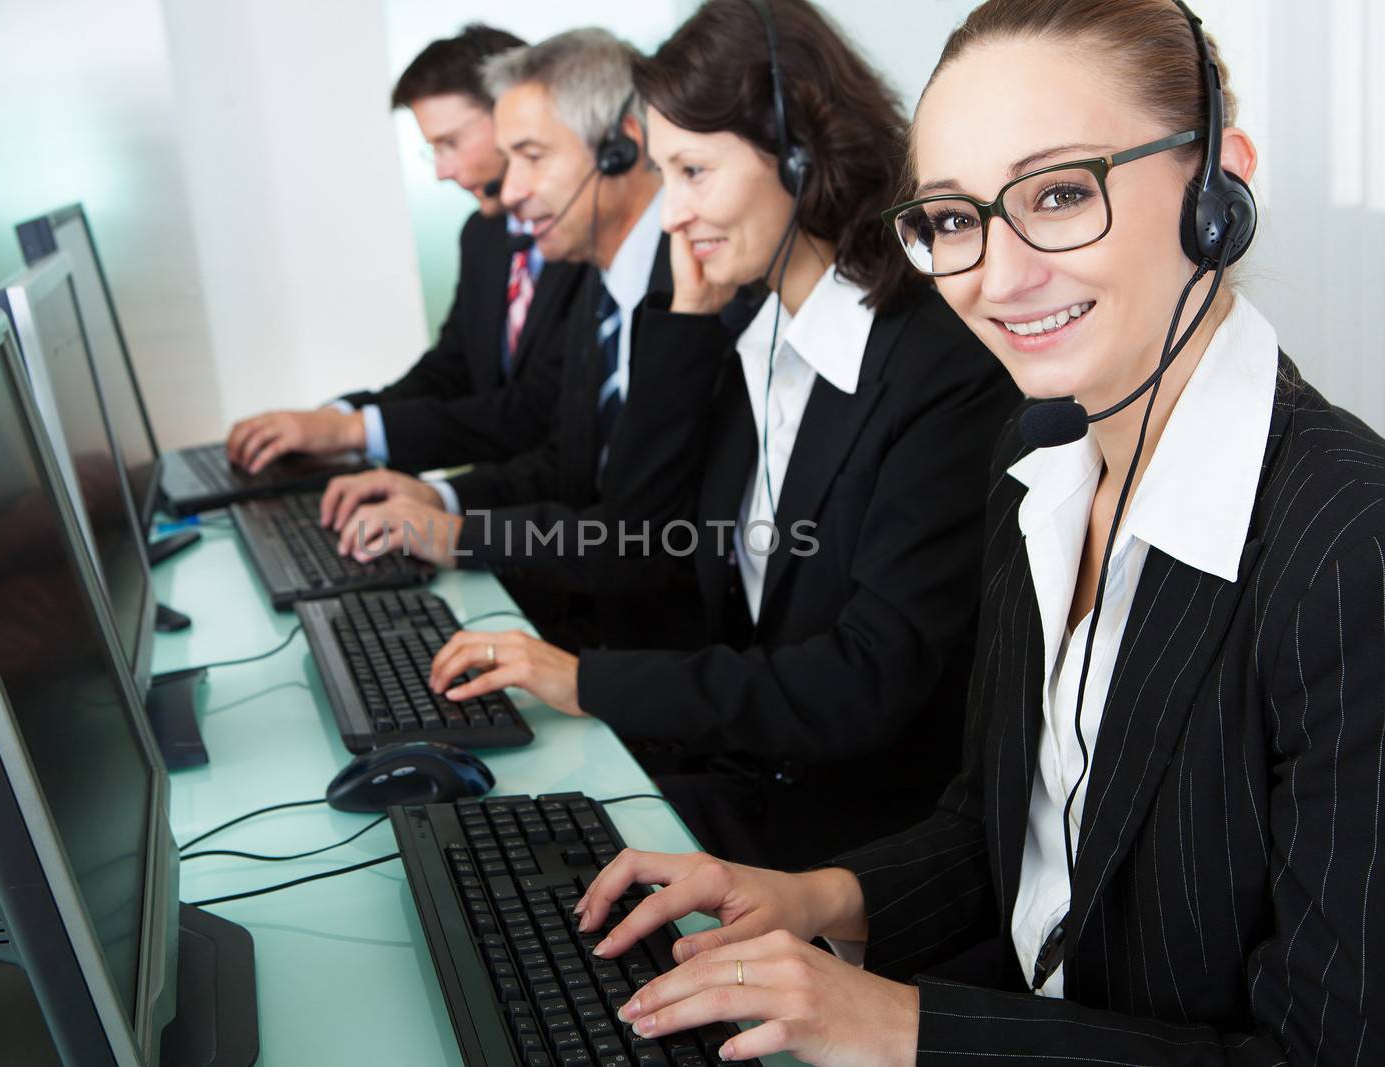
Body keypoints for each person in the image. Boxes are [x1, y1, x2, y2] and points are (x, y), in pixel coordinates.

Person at [564, 1, 1385, 1063]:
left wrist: (902, 1022)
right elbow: (1005, 836)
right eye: (951, 219)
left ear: (1218, 183)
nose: (995, 277)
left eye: (1057, 194)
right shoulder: (1037, 469)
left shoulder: (1349, 554)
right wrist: (814, 894)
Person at [420, 0, 1019, 870]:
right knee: (476, 840)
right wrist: (689, 321)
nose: (670, 214)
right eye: (666, 176)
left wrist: (582, 679)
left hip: (857, 842)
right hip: (750, 782)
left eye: (694, 172)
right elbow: (643, 541)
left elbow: (861, 681)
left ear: (801, 154)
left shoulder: (939, 367)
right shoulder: (757, 327)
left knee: (514, 865)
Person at [320, 29, 701, 652]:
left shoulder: (694, 298)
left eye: (531, 155)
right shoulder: (602, 290)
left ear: (618, 150)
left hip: (660, 649)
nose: (512, 189)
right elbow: (564, 462)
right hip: (603, 623)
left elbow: (654, 540)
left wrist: (459, 534)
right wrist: (439, 501)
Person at [224, 24, 589, 475]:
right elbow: (451, 370)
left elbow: (534, 411)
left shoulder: (583, 239)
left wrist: (356, 432)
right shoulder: (483, 236)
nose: (441, 171)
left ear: (512, 116)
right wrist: (336, 418)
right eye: (432, 150)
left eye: (450, 143)